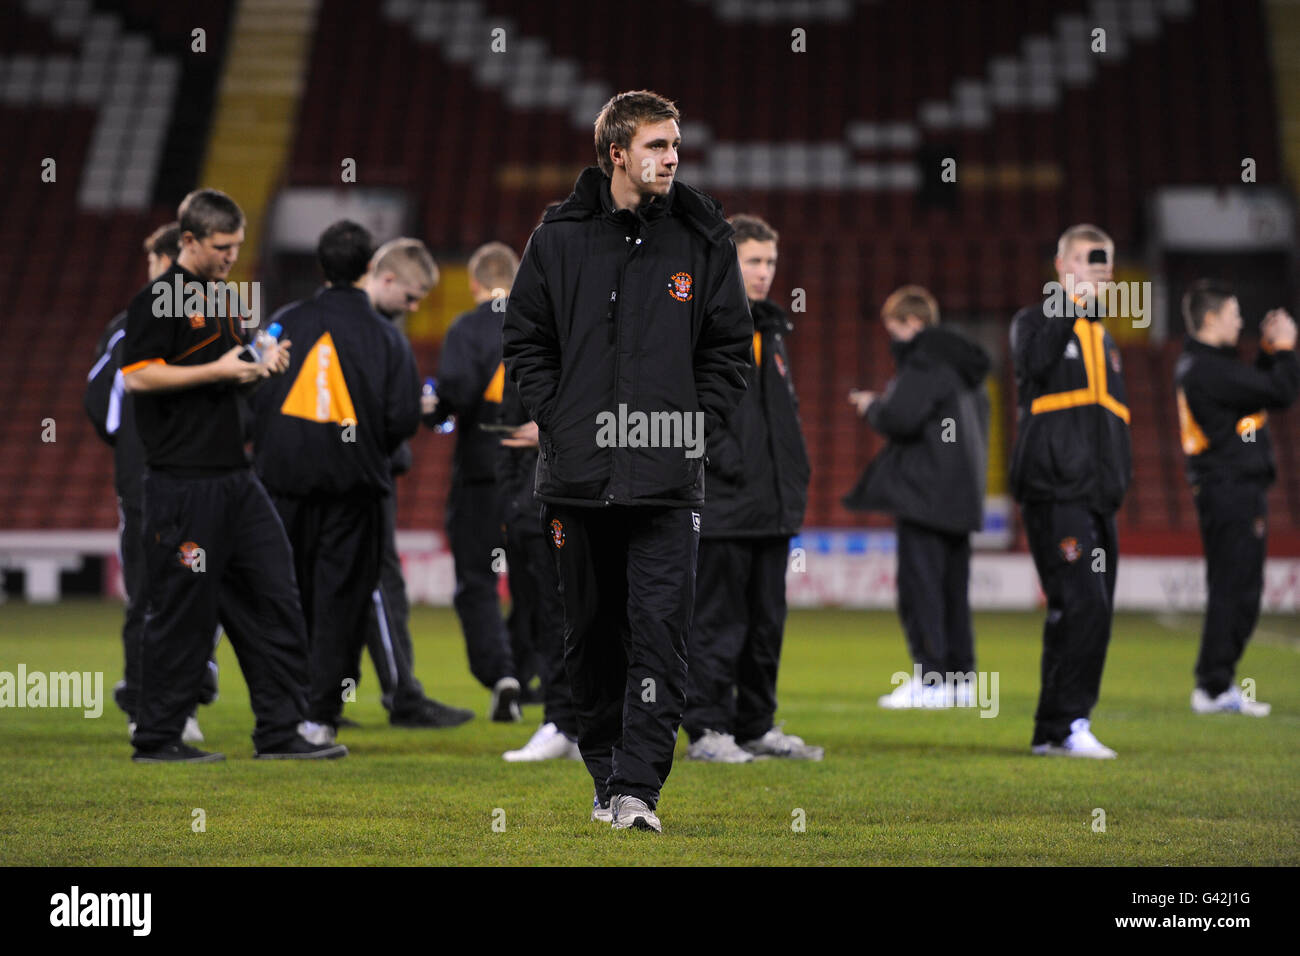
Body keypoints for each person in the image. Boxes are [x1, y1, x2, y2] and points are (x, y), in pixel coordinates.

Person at [503, 90, 752, 832]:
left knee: (660, 632)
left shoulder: (704, 238)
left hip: (667, 483)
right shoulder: (556, 239)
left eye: (675, 145)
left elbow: (729, 350)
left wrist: (691, 426)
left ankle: (639, 789)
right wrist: (560, 419)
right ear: (616, 153)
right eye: (656, 145)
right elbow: (525, 342)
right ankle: (606, 773)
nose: (671, 157)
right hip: (578, 481)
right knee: (588, 639)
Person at [122, 188, 345, 761]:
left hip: (234, 479)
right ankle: (158, 738)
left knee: (275, 595)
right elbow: (137, 377)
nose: (230, 256)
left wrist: (255, 367)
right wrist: (220, 368)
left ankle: (278, 730)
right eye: (221, 247)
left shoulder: (219, 298)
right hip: (182, 484)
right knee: (182, 610)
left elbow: (223, 372)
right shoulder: (159, 300)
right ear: (189, 240)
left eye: (237, 246)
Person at [252, 220, 422, 742]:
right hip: (355, 489)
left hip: (284, 486)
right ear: (370, 268)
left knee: (287, 598)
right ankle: (321, 716)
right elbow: (403, 419)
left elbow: (253, 390)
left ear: (320, 267)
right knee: (343, 602)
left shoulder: (283, 322)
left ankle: (283, 708)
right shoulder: (386, 337)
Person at [681, 214, 819, 763]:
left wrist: (795, 473)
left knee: (766, 624)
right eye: (753, 261)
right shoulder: (701, 326)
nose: (764, 273)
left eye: (769, 262)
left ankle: (755, 725)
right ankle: (708, 731)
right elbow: (688, 413)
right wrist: (727, 463)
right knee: (717, 621)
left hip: (772, 505)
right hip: (723, 503)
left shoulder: (771, 332)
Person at [84, 222, 218, 744]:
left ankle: (147, 702)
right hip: (206, 480)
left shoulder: (129, 325)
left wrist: (133, 446)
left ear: (166, 261)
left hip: (144, 483)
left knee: (146, 593)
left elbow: (101, 404)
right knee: (198, 586)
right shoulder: (216, 318)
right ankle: (186, 699)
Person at [1009, 223, 1131, 759]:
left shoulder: (1105, 340)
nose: (1094, 271)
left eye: (1101, 263)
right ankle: (1064, 726)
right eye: (1085, 259)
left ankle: (1057, 728)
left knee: (1092, 609)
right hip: (1057, 491)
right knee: (1079, 602)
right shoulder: (1035, 321)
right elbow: (1032, 366)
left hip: (1097, 497)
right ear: (1061, 267)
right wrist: (1069, 304)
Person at [845, 285, 990, 709]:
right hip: (961, 497)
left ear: (913, 323)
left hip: (925, 495)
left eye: (895, 329)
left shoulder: (926, 362)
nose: (893, 341)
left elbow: (899, 418)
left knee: (920, 588)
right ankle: (960, 679)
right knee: (952, 591)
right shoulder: (966, 371)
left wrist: (872, 405)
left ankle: (930, 679)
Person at [359, 238, 474, 729]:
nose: (413, 308)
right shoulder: (374, 336)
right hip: (361, 481)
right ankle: (402, 695)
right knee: (381, 585)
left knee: (329, 591)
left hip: (324, 478)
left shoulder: (324, 323)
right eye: (409, 297)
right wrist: (418, 408)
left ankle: (313, 704)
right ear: (386, 279)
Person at [1175, 281, 1299, 716]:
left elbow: (1255, 386)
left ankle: (1217, 683)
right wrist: (1283, 349)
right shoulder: (1204, 369)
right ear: (1210, 319)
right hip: (1228, 488)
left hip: (1234, 487)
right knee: (1234, 589)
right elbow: (1280, 391)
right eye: (1234, 314)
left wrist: (1268, 351)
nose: (1240, 321)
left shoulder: (1209, 366)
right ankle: (1212, 687)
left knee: (1240, 588)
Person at [424, 242, 524, 723]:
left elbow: (454, 392)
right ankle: (532, 673)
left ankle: (501, 673)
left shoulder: (466, 327)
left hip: (480, 478)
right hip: (534, 477)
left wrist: (436, 410)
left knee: (477, 582)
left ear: (473, 283)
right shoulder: (538, 322)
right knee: (537, 580)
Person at [497, 376, 581, 762]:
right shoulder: (526, 346)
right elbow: (507, 434)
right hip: (534, 508)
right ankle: (562, 722)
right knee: (550, 619)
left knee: (593, 618)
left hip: (592, 499)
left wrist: (558, 430)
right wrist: (512, 508)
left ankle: (590, 724)